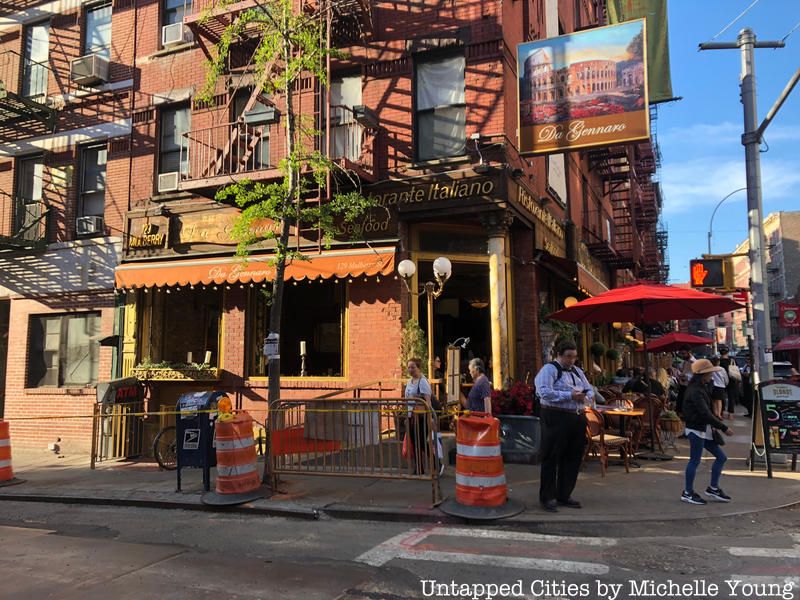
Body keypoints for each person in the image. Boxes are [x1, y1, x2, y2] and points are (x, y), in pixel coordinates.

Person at [534, 339, 593, 513]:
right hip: (555, 416)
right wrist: (569, 395)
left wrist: (585, 396)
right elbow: (543, 392)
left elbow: (589, 389)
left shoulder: (577, 371)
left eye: (574, 357)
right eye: (568, 356)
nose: (571, 360)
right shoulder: (549, 370)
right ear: (559, 355)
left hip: (576, 417)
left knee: (573, 458)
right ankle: (548, 497)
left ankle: (564, 494)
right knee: (552, 457)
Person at [681, 358, 734, 505]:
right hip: (697, 428)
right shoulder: (696, 391)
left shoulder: (700, 387)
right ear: (702, 375)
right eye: (709, 373)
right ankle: (688, 492)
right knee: (695, 461)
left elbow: (706, 411)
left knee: (720, 457)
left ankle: (712, 488)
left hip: (701, 428)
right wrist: (723, 427)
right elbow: (705, 412)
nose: (711, 375)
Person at [404, 358, 433, 473]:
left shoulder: (422, 381)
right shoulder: (409, 382)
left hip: (421, 416)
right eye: (409, 367)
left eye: (413, 367)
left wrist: (430, 418)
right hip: (412, 415)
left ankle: (436, 462)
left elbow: (428, 400)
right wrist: (407, 415)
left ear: (418, 368)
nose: (410, 370)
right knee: (414, 442)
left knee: (421, 442)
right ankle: (419, 467)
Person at [719, 347, 740, 417]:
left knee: (722, 396)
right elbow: (737, 368)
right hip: (732, 380)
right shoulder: (732, 360)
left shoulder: (719, 361)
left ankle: (721, 411)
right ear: (727, 352)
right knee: (731, 397)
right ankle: (730, 413)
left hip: (722, 380)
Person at [676, 347, 696, 416]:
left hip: (689, 386)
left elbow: (695, 375)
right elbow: (684, 371)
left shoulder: (694, 362)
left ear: (689, 352)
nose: (682, 355)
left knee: (685, 404)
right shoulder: (685, 361)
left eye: (684, 353)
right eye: (681, 353)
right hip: (683, 385)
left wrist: (686, 377)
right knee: (680, 403)